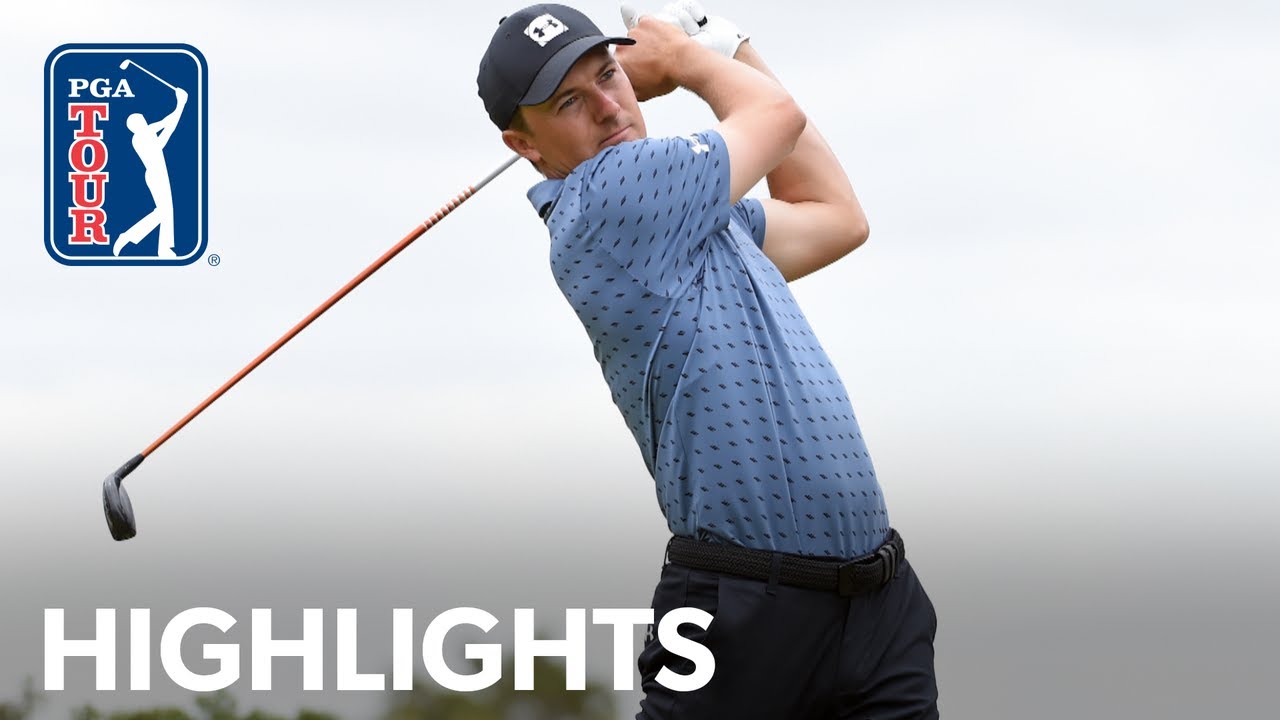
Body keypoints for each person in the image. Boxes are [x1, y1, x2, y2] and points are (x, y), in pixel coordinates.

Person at [476, 3, 938, 717]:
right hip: (749, 605)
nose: (608, 107)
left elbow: (834, 216)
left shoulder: (688, 214)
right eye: (568, 102)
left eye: (608, 76)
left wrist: (724, 48)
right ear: (524, 145)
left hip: (877, 604)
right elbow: (776, 118)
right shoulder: (610, 197)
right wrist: (691, 59)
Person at [113, 85, 188, 258]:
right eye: (140, 120)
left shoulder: (147, 132)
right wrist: (181, 103)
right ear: (135, 126)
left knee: (166, 211)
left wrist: (180, 104)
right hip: (155, 174)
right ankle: (129, 236)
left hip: (159, 173)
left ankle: (163, 249)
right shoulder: (140, 137)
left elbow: (168, 125)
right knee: (163, 212)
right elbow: (166, 129)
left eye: (142, 118)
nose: (144, 120)